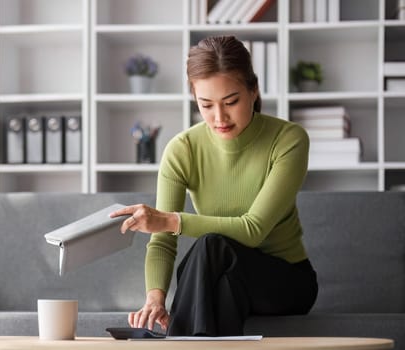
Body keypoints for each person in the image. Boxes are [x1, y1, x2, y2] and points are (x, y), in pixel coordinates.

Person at [109, 35, 318, 336]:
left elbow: (253, 229)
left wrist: (168, 220)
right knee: (222, 289)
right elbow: (163, 240)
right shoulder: (183, 149)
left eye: (231, 101)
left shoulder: (288, 140)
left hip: (285, 281)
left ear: (253, 90)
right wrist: (155, 298)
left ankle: (174, 341)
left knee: (211, 244)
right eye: (206, 105)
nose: (219, 118)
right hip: (223, 279)